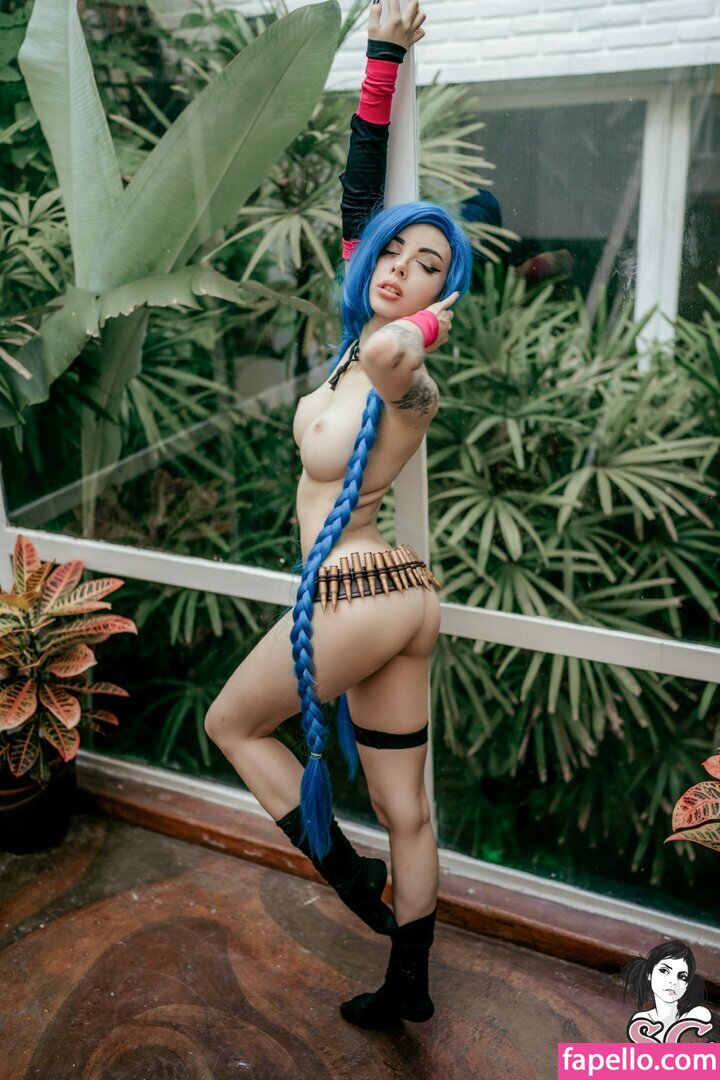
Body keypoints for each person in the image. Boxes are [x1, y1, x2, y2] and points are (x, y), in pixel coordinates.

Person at [204, 0, 472, 1029]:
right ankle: (410, 984)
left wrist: (427, 327)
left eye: (430, 264)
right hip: (399, 596)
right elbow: (361, 190)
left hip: (358, 593)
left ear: (444, 294)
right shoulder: (357, 337)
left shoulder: (405, 374)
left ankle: (353, 885)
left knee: (232, 723)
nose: (402, 267)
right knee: (410, 809)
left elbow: (405, 358)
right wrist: (382, 56)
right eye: (396, 253)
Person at [621, 940, 713, 1043]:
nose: (673, 982)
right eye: (664, 971)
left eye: (682, 977)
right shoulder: (640, 1021)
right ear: (649, 974)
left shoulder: (698, 1015)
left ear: (687, 985)